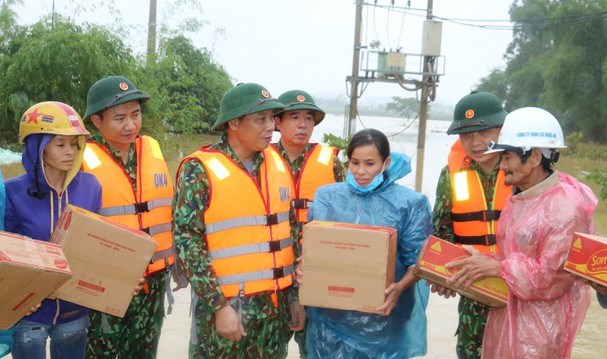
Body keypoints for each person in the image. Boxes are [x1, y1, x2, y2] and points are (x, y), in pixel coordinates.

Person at [446, 107, 597, 359]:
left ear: (535, 157)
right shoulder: (520, 197)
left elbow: (552, 278)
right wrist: (484, 259)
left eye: (507, 157)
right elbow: (515, 257)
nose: (502, 165)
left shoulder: (567, 209)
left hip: (541, 328)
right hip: (509, 316)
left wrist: (498, 268)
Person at [173, 82, 305, 358]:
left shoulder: (277, 162)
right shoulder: (200, 169)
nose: (271, 126)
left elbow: (291, 234)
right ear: (234, 122)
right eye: (260, 119)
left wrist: (295, 296)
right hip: (229, 307)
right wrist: (219, 306)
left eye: (272, 118)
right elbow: (187, 243)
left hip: (275, 309)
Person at [302, 128, 432, 359]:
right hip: (330, 318)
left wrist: (399, 288)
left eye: (370, 164)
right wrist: (306, 268)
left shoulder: (409, 203)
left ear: (386, 162)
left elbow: (419, 262)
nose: (361, 171)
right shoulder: (327, 197)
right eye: (354, 162)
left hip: (384, 320)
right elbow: (316, 249)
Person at [81, 75, 176, 358]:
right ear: (97, 121)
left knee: (145, 352)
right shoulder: (80, 160)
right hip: (105, 283)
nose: (130, 125)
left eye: (135, 115)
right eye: (119, 117)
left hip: (154, 282)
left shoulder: (152, 150)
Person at [4, 101, 102, 359]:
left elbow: (97, 246)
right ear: (38, 147)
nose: (69, 152)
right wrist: (19, 295)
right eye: (60, 144)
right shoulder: (12, 192)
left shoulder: (91, 187)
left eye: (74, 144)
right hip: (29, 313)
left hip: (75, 313)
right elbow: (7, 254)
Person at [431, 91, 509, 358]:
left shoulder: (522, 167)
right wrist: (443, 276)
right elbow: (441, 232)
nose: (475, 142)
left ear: (501, 129)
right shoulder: (450, 175)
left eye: (483, 131)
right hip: (473, 289)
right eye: (466, 135)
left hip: (518, 287)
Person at [272, 89, 345, 359]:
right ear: (277, 122)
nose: (303, 125)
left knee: (316, 352)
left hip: (316, 275)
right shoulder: (260, 160)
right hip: (272, 276)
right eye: (294, 117)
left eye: (309, 118)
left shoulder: (331, 163)